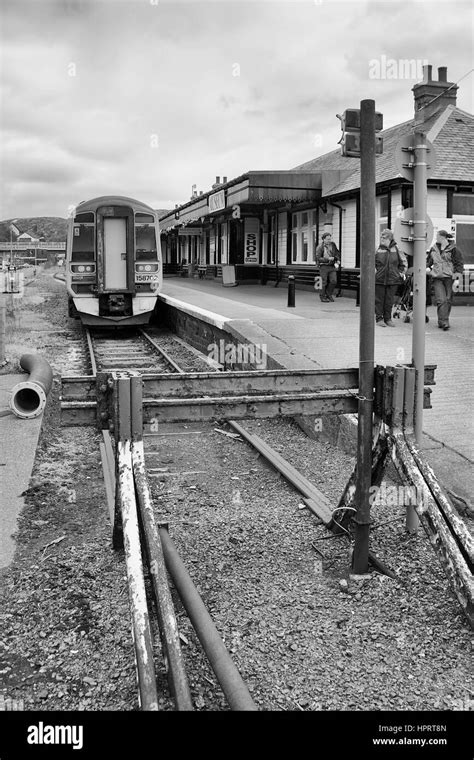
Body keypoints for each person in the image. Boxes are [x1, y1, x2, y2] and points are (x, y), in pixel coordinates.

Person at [426, 230, 464, 331]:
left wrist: (457, 279)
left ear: (443, 238)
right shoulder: (433, 249)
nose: (436, 238)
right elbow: (428, 262)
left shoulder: (454, 249)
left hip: (450, 279)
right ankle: (444, 321)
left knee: (448, 300)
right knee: (441, 300)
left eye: (437, 236)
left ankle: (442, 321)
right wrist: (427, 268)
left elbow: (459, 265)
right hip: (437, 278)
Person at [375, 229, 407, 327]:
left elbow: (403, 262)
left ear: (389, 238)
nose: (382, 239)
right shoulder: (378, 249)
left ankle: (388, 319)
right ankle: (379, 318)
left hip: (393, 279)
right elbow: (373, 263)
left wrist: (400, 273)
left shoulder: (397, 249)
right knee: (379, 300)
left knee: (389, 300)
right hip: (379, 279)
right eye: (381, 237)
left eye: (384, 238)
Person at [315, 232, 340, 302]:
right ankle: (322, 297)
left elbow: (337, 253)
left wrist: (337, 259)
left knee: (334, 281)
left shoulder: (333, 245)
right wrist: (327, 259)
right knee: (323, 282)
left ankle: (328, 294)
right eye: (328, 239)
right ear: (323, 239)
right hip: (323, 266)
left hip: (332, 266)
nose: (329, 240)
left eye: (330, 239)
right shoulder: (320, 247)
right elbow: (318, 258)